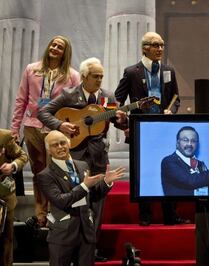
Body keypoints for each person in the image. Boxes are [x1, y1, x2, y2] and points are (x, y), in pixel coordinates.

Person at [37, 57, 127, 261]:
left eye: (102, 76)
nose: (99, 80)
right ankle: (70, 245)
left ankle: (91, 248)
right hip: (75, 156)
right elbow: (43, 112)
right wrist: (60, 126)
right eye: (95, 76)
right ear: (84, 77)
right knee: (74, 198)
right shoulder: (69, 95)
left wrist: (122, 120)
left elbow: (118, 120)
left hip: (98, 155)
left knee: (97, 202)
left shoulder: (107, 97)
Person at [115, 31, 186, 226]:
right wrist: (122, 122)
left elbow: (175, 98)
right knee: (143, 172)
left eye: (162, 45)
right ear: (144, 48)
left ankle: (170, 215)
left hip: (164, 129)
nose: (160, 49)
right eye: (156, 45)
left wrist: (171, 111)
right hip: (140, 129)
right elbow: (118, 100)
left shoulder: (168, 70)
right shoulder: (132, 72)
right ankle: (145, 215)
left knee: (171, 170)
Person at [10, 35, 80, 227]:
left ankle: (55, 212)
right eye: (53, 44)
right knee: (39, 171)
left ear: (65, 52)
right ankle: (40, 214)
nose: (55, 48)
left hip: (57, 128)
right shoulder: (31, 69)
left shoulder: (72, 75)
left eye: (60, 46)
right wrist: (15, 128)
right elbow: (21, 100)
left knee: (57, 171)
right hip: (32, 126)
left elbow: (75, 106)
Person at [37, 130, 125, 266]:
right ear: (49, 151)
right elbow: (61, 201)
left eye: (62, 143)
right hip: (63, 234)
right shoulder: (45, 175)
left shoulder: (83, 165)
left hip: (86, 232)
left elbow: (93, 195)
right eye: (55, 145)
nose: (60, 147)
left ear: (69, 144)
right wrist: (84, 186)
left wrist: (106, 182)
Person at [0, 129, 28, 266]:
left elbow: (23, 156)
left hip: (3, 197)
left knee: (6, 240)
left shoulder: (4, 136)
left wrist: (13, 165)